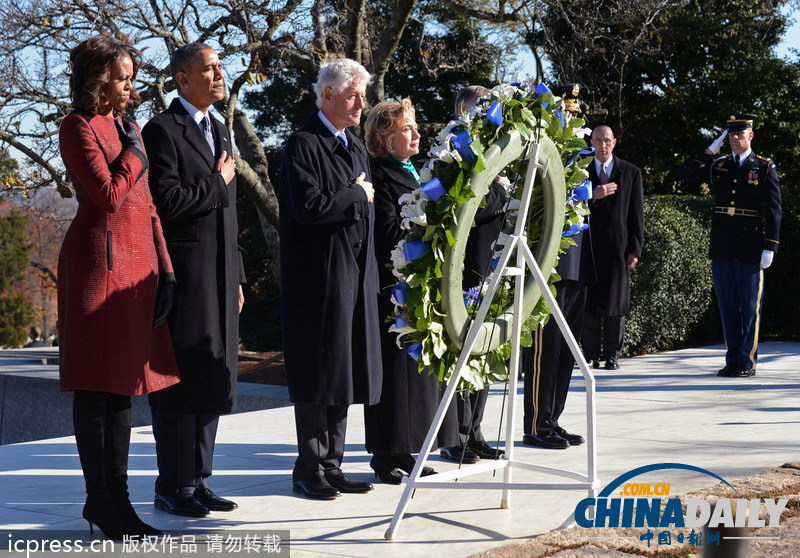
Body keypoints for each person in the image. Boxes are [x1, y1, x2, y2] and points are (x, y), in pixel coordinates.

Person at [58, 35, 180, 538]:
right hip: (95, 267)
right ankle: (100, 502)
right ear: (96, 79)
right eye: (122, 77)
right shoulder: (77, 126)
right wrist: (133, 155)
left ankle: (121, 503)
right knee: (95, 388)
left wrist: (167, 270)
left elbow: (148, 206)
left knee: (125, 390)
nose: (131, 86)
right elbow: (108, 195)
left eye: (131, 77)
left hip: (139, 267)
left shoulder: (127, 126)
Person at [142, 42, 245, 517]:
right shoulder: (161, 130)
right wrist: (216, 182)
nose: (219, 74)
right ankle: (174, 485)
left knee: (212, 374)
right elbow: (165, 203)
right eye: (210, 68)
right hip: (185, 276)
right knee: (181, 380)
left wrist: (239, 274)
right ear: (183, 79)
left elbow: (231, 215)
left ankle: (200, 478)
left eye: (220, 67)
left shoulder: (220, 128)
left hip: (222, 276)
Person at [279, 58, 382, 500]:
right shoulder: (302, 145)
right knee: (319, 371)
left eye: (363, 94)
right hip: (319, 277)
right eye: (354, 94)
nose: (362, 103)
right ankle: (309, 467)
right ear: (328, 95)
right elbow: (309, 207)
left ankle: (334, 462)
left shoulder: (355, 145)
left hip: (356, 273)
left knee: (344, 370)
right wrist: (355, 193)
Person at [363, 99, 459, 483]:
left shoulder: (415, 171)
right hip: (395, 287)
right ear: (386, 139)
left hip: (421, 283)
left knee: (416, 374)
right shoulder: (380, 174)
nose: (417, 134)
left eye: (415, 127)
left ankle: (407, 449)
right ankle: (387, 456)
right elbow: (386, 230)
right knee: (395, 376)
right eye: (407, 128)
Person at [677, 114, 781, 377]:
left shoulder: (764, 167)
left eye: (739, 134)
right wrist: (709, 151)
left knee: (748, 307)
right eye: (730, 135)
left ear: (750, 136)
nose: (734, 139)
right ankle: (732, 358)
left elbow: (774, 210)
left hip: (750, 246)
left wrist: (771, 246)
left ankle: (747, 361)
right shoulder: (720, 165)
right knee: (727, 306)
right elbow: (685, 173)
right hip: (723, 245)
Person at [520, 90, 596, 450]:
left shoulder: (581, 158)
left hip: (577, 263)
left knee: (565, 350)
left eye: (575, 116)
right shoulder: (540, 154)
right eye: (565, 116)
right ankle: (536, 422)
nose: (572, 122)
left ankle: (553, 418)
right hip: (548, 267)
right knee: (543, 350)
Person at [440, 85, 508, 464]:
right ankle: (455, 435)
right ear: (463, 109)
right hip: (463, 264)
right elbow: (468, 200)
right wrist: (500, 191)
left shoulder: (494, 144)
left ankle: (475, 431)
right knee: (461, 350)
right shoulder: (454, 144)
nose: (488, 113)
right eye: (481, 107)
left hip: (491, 262)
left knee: (483, 350)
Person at [581, 125, 644, 370]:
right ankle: (590, 354)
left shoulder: (630, 172)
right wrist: (592, 195)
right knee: (590, 303)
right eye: (598, 141)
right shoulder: (582, 171)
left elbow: (637, 215)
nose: (603, 145)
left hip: (619, 247)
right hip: (589, 245)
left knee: (616, 304)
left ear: (614, 142)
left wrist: (635, 249)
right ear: (591, 142)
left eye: (607, 141)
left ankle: (612, 355)